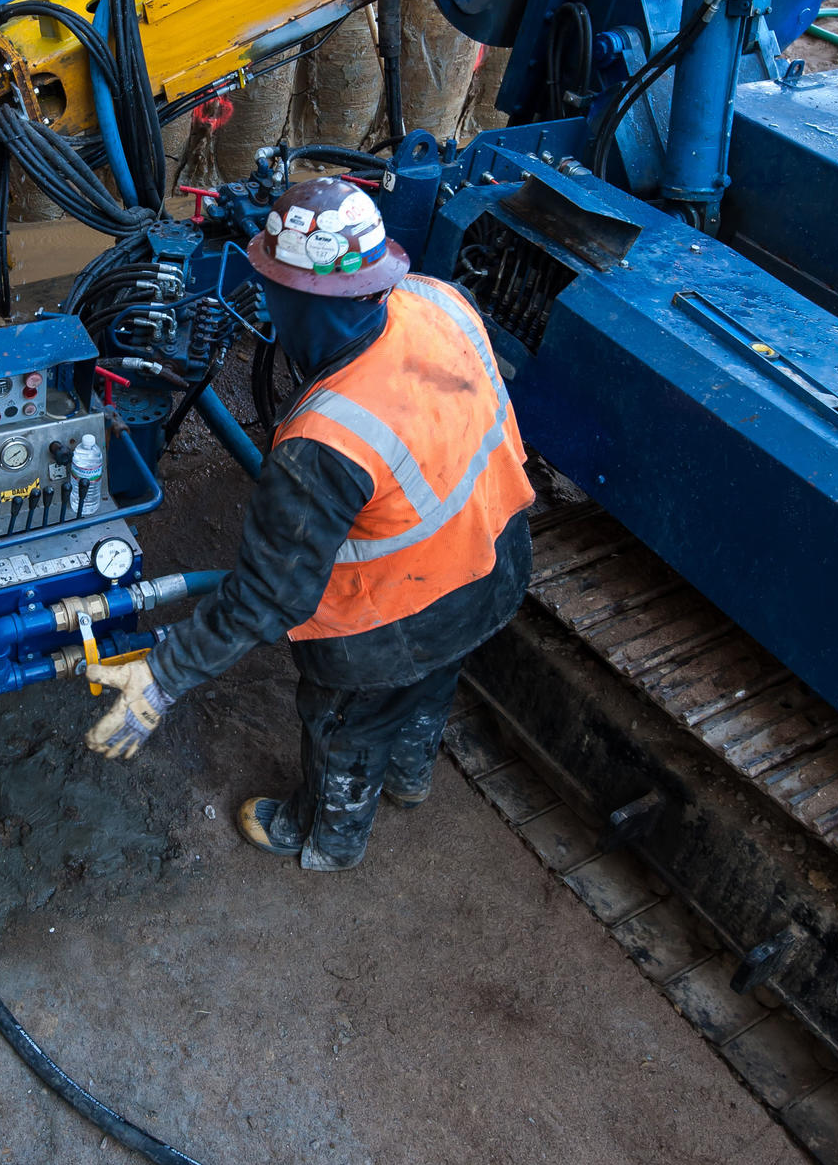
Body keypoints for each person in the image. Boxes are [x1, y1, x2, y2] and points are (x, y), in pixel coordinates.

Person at [83, 175, 534, 871]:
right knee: (432, 686)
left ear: (307, 301)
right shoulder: (437, 300)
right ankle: (412, 777)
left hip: (388, 628)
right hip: (493, 565)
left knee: (345, 730)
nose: (266, 303)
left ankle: (327, 838)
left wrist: (163, 677)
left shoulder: (326, 440)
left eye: (275, 290)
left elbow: (268, 598)